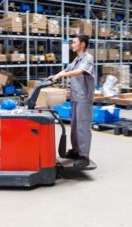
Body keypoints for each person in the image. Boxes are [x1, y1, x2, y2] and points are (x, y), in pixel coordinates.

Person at [49, 34, 94, 168]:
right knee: (74, 126)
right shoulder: (76, 59)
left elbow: (79, 72)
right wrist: (55, 76)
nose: (72, 45)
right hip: (75, 97)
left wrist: (63, 75)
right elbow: (68, 69)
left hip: (84, 98)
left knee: (82, 126)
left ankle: (84, 156)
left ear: (82, 44)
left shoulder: (88, 58)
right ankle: (76, 151)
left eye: (75, 42)